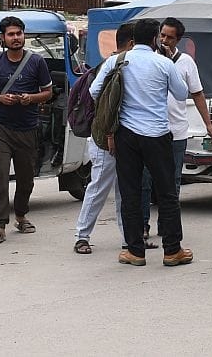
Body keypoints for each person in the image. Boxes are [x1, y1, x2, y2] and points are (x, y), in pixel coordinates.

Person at [90, 18, 193, 267]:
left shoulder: (117, 61)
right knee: (167, 193)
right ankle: (172, 251)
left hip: (126, 137)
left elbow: (94, 91)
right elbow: (181, 94)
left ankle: (135, 251)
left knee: (130, 193)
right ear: (156, 38)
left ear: (133, 39)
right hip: (157, 136)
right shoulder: (163, 63)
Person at [137, 17, 212, 240]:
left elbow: (197, 93)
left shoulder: (186, 62)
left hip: (176, 131)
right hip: (150, 131)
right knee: (145, 180)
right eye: (161, 35)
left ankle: (166, 225)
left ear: (178, 40)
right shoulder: (148, 59)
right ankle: (142, 225)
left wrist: (208, 123)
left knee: (172, 181)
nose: (164, 40)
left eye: (169, 37)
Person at [0, 16, 54, 244]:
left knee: (26, 179)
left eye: (19, 33)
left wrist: (29, 98)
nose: (15, 38)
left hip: (28, 129)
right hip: (1, 128)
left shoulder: (37, 62)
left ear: (24, 36)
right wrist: (0, 98)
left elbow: (48, 93)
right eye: (11, 34)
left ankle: (21, 216)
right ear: (3, 38)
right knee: (0, 177)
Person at [74, 23, 135, 254]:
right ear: (131, 44)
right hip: (105, 137)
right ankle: (82, 235)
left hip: (122, 136)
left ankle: (129, 238)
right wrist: (110, 133)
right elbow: (101, 100)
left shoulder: (125, 64)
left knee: (125, 189)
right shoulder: (113, 65)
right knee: (99, 187)